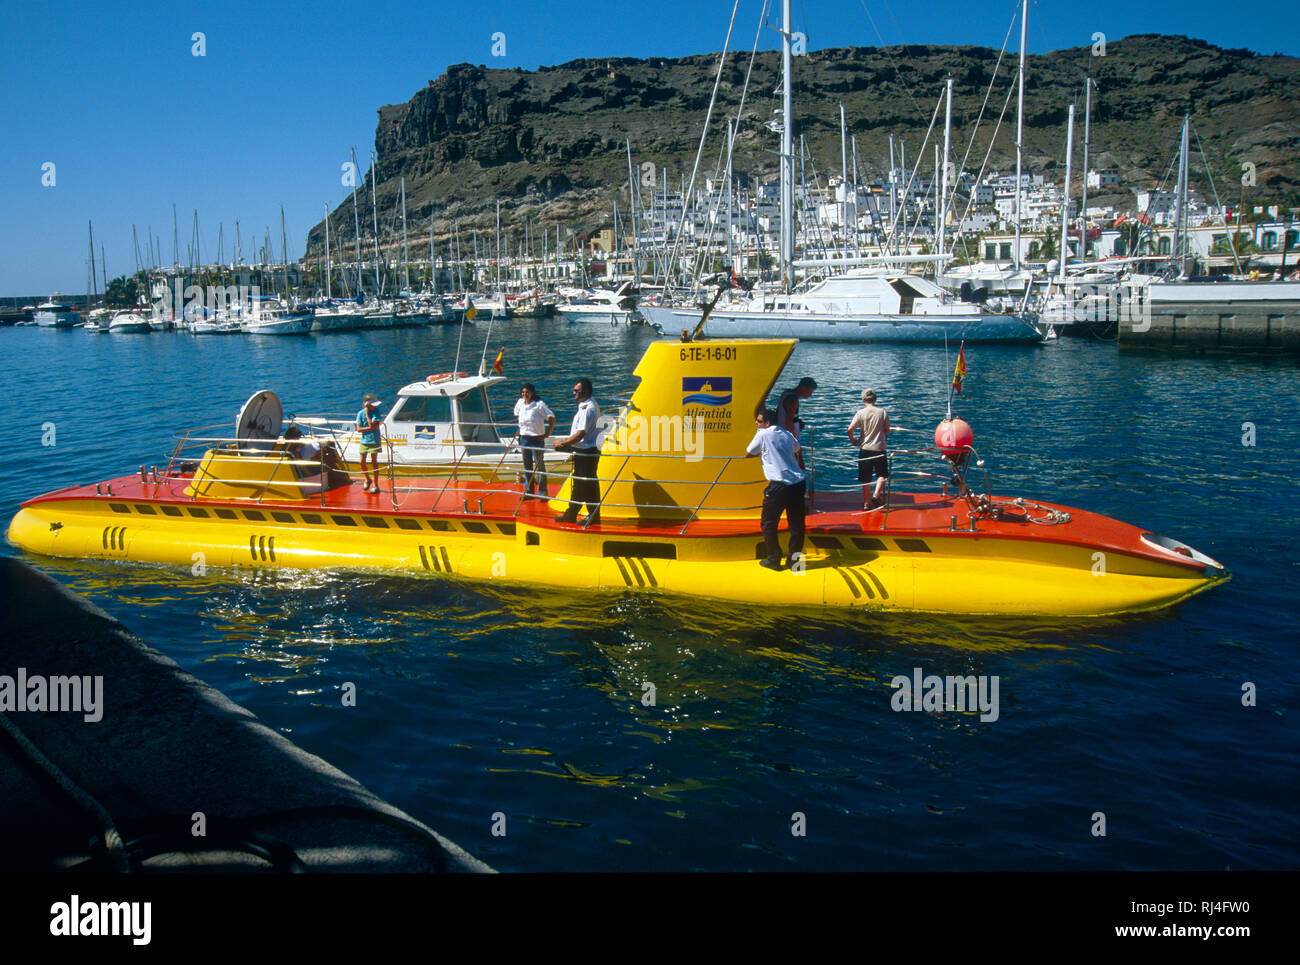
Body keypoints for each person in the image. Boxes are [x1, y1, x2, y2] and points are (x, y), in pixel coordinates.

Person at [745, 407, 806, 571]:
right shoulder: (786, 433)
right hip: (798, 482)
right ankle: (795, 563)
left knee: (768, 523)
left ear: (767, 422)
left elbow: (749, 453)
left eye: (758, 421)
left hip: (779, 485)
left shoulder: (763, 434)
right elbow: (797, 448)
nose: (756, 424)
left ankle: (774, 559)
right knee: (797, 525)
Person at [553, 378, 602, 524]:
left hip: (587, 452)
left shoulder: (589, 409)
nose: (573, 392)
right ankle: (572, 513)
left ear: (585, 392)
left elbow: (581, 434)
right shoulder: (585, 406)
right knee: (579, 483)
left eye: (576, 390)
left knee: (587, 485)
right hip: (583, 450)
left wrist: (562, 443)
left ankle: (593, 516)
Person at [847, 389, 891, 510]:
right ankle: (876, 494)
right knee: (882, 474)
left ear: (863, 399)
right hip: (879, 448)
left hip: (865, 448)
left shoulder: (861, 413)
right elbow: (887, 430)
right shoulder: (882, 412)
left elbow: (850, 429)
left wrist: (853, 441)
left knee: (866, 477)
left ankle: (867, 503)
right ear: (875, 399)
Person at [513, 382, 555, 500]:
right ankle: (529, 492)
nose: (525, 394)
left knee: (539, 466)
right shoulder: (520, 403)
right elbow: (517, 414)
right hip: (524, 439)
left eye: (527, 392)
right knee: (527, 467)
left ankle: (543, 493)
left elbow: (551, 418)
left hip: (537, 439)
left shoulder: (539, 405)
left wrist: (547, 434)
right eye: (523, 392)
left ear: (532, 393)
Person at [777, 376, 816, 470]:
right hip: (790, 438)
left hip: (781, 434)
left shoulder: (786, 393)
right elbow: (788, 422)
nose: (810, 395)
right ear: (803, 388)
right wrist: (793, 441)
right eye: (810, 392)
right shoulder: (793, 400)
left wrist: (798, 422)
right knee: (799, 467)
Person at [356, 393, 384, 494]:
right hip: (365, 441)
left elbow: (374, 425)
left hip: (374, 440)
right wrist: (369, 428)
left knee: (374, 462)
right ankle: (367, 478)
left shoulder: (376, 412)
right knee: (362, 462)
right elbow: (358, 429)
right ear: (367, 404)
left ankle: (376, 485)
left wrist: (368, 416)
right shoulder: (360, 413)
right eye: (373, 404)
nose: (375, 406)